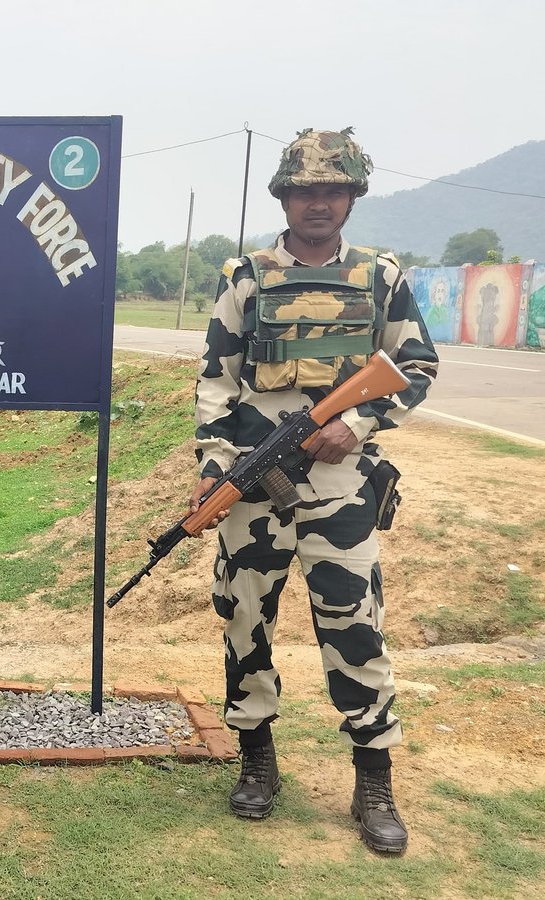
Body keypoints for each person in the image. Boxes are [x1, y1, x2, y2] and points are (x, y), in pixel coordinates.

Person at [192, 128, 437, 853]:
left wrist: (356, 424)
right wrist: (214, 468)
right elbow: (215, 380)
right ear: (285, 198)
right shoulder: (246, 276)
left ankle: (373, 779)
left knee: (354, 625)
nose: (318, 203)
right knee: (244, 619)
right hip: (254, 485)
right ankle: (257, 760)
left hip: (342, 487)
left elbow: (416, 366)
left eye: (332, 190)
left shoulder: (380, 277)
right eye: (305, 191)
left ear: (352, 198)